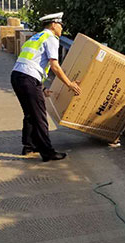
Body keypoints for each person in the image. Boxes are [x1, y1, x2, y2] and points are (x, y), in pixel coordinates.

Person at [11, 11, 82, 162]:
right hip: (28, 78)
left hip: (17, 76)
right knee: (40, 116)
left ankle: (29, 146)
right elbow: (54, 66)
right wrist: (70, 84)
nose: (62, 28)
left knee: (30, 113)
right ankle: (47, 152)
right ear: (54, 24)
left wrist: (41, 88)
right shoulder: (51, 38)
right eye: (61, 25)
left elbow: (32, 62)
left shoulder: (37, 36)